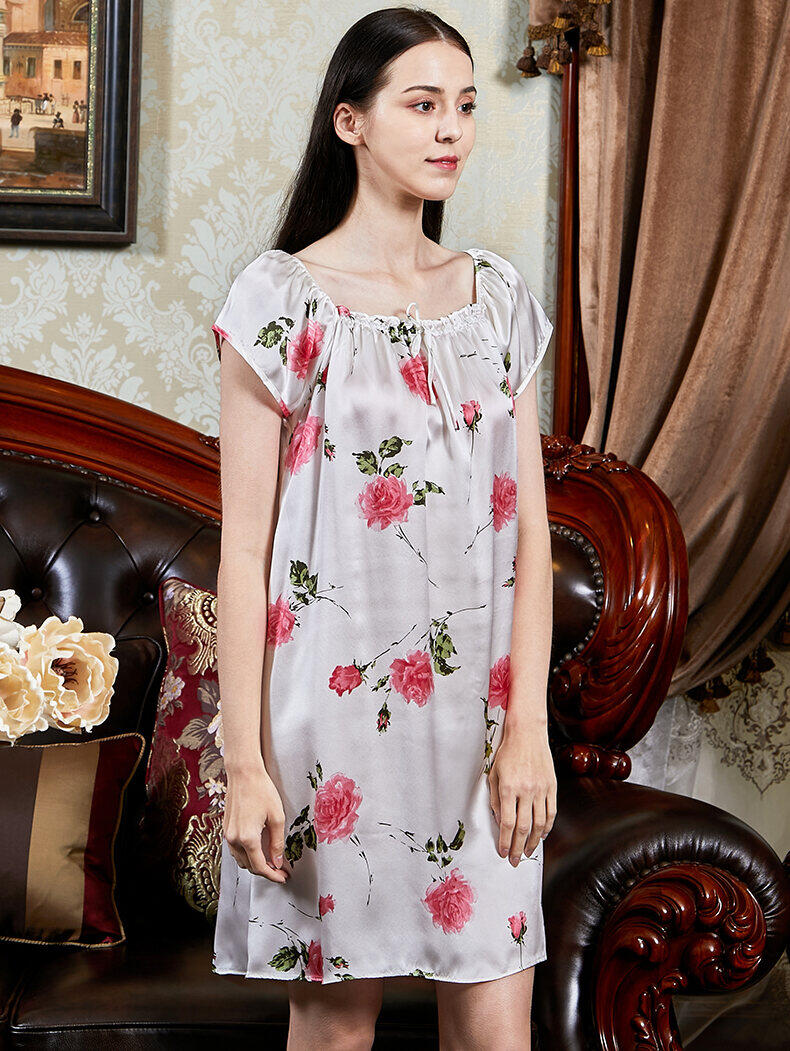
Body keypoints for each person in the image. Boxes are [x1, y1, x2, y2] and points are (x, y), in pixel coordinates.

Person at [211, 7, 556, 1049]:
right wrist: (245, 764)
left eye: (465, 106)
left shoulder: (497, 300)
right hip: (327, 726)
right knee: (332, 1028)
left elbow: (530, 538)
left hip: (481, 731)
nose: (450, 129)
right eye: (422, 104)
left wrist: (528, 731)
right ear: (350, 121)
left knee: (495, 1028)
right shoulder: (280, 300)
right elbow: (244, 553)